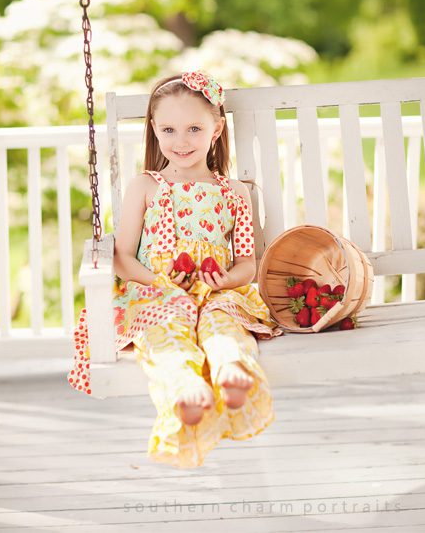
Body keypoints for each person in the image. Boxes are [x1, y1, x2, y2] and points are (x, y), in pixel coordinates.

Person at [68, 70, 283, 469]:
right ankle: (184, 388)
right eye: (168, 129)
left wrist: (227, 279)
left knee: (223, 326)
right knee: (167, 333)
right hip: (158, 294)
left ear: (216, 130)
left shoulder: (235, 193)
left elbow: (247, 264)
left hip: (218, 294)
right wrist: (159, 281)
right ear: (154, 129)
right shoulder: (145, 186)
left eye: (193, 129)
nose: (180, 142)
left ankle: (231, 369)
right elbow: (122, 257)